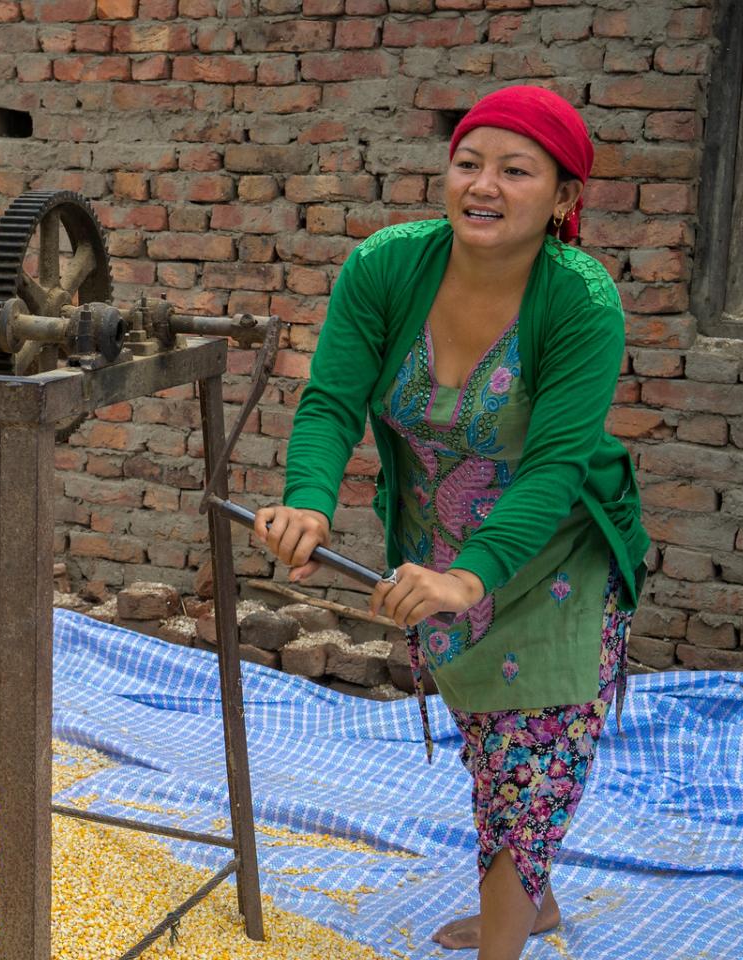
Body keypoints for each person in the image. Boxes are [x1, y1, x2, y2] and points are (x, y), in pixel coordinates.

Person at [251, 85, 648, 960]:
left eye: (516, 170)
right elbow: (330, 401)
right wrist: (309, 498)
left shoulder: (579, 301)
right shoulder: (388, 267)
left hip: (558, 555)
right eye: (468, 162)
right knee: (485, 732)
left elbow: (554, 468)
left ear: (565, 198)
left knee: (529, 754)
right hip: (437, 543)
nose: (484, 185)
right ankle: (532, 899)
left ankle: (506, 940)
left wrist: (472, 575)